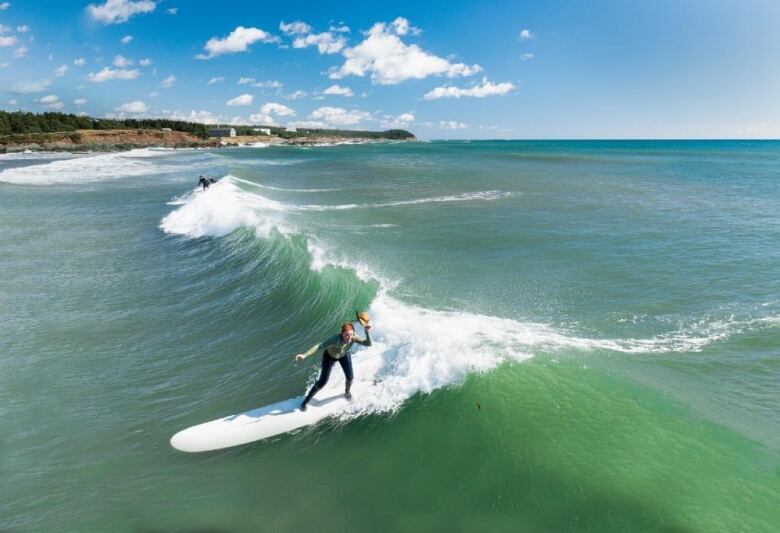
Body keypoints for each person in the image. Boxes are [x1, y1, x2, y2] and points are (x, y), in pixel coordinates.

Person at [294, 312, 372, 411]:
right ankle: (306, 401)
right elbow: (319, 346)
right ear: (342, 333)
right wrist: (304, 355)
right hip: (329, 357)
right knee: (322, 382)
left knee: (350, 378)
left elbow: (368, 344)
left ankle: (347, 392)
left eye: (351, 334)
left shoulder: (353, 337)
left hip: (344, 355)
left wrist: (367, 331)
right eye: (347, 335)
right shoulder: (335, 339)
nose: (349, 337)